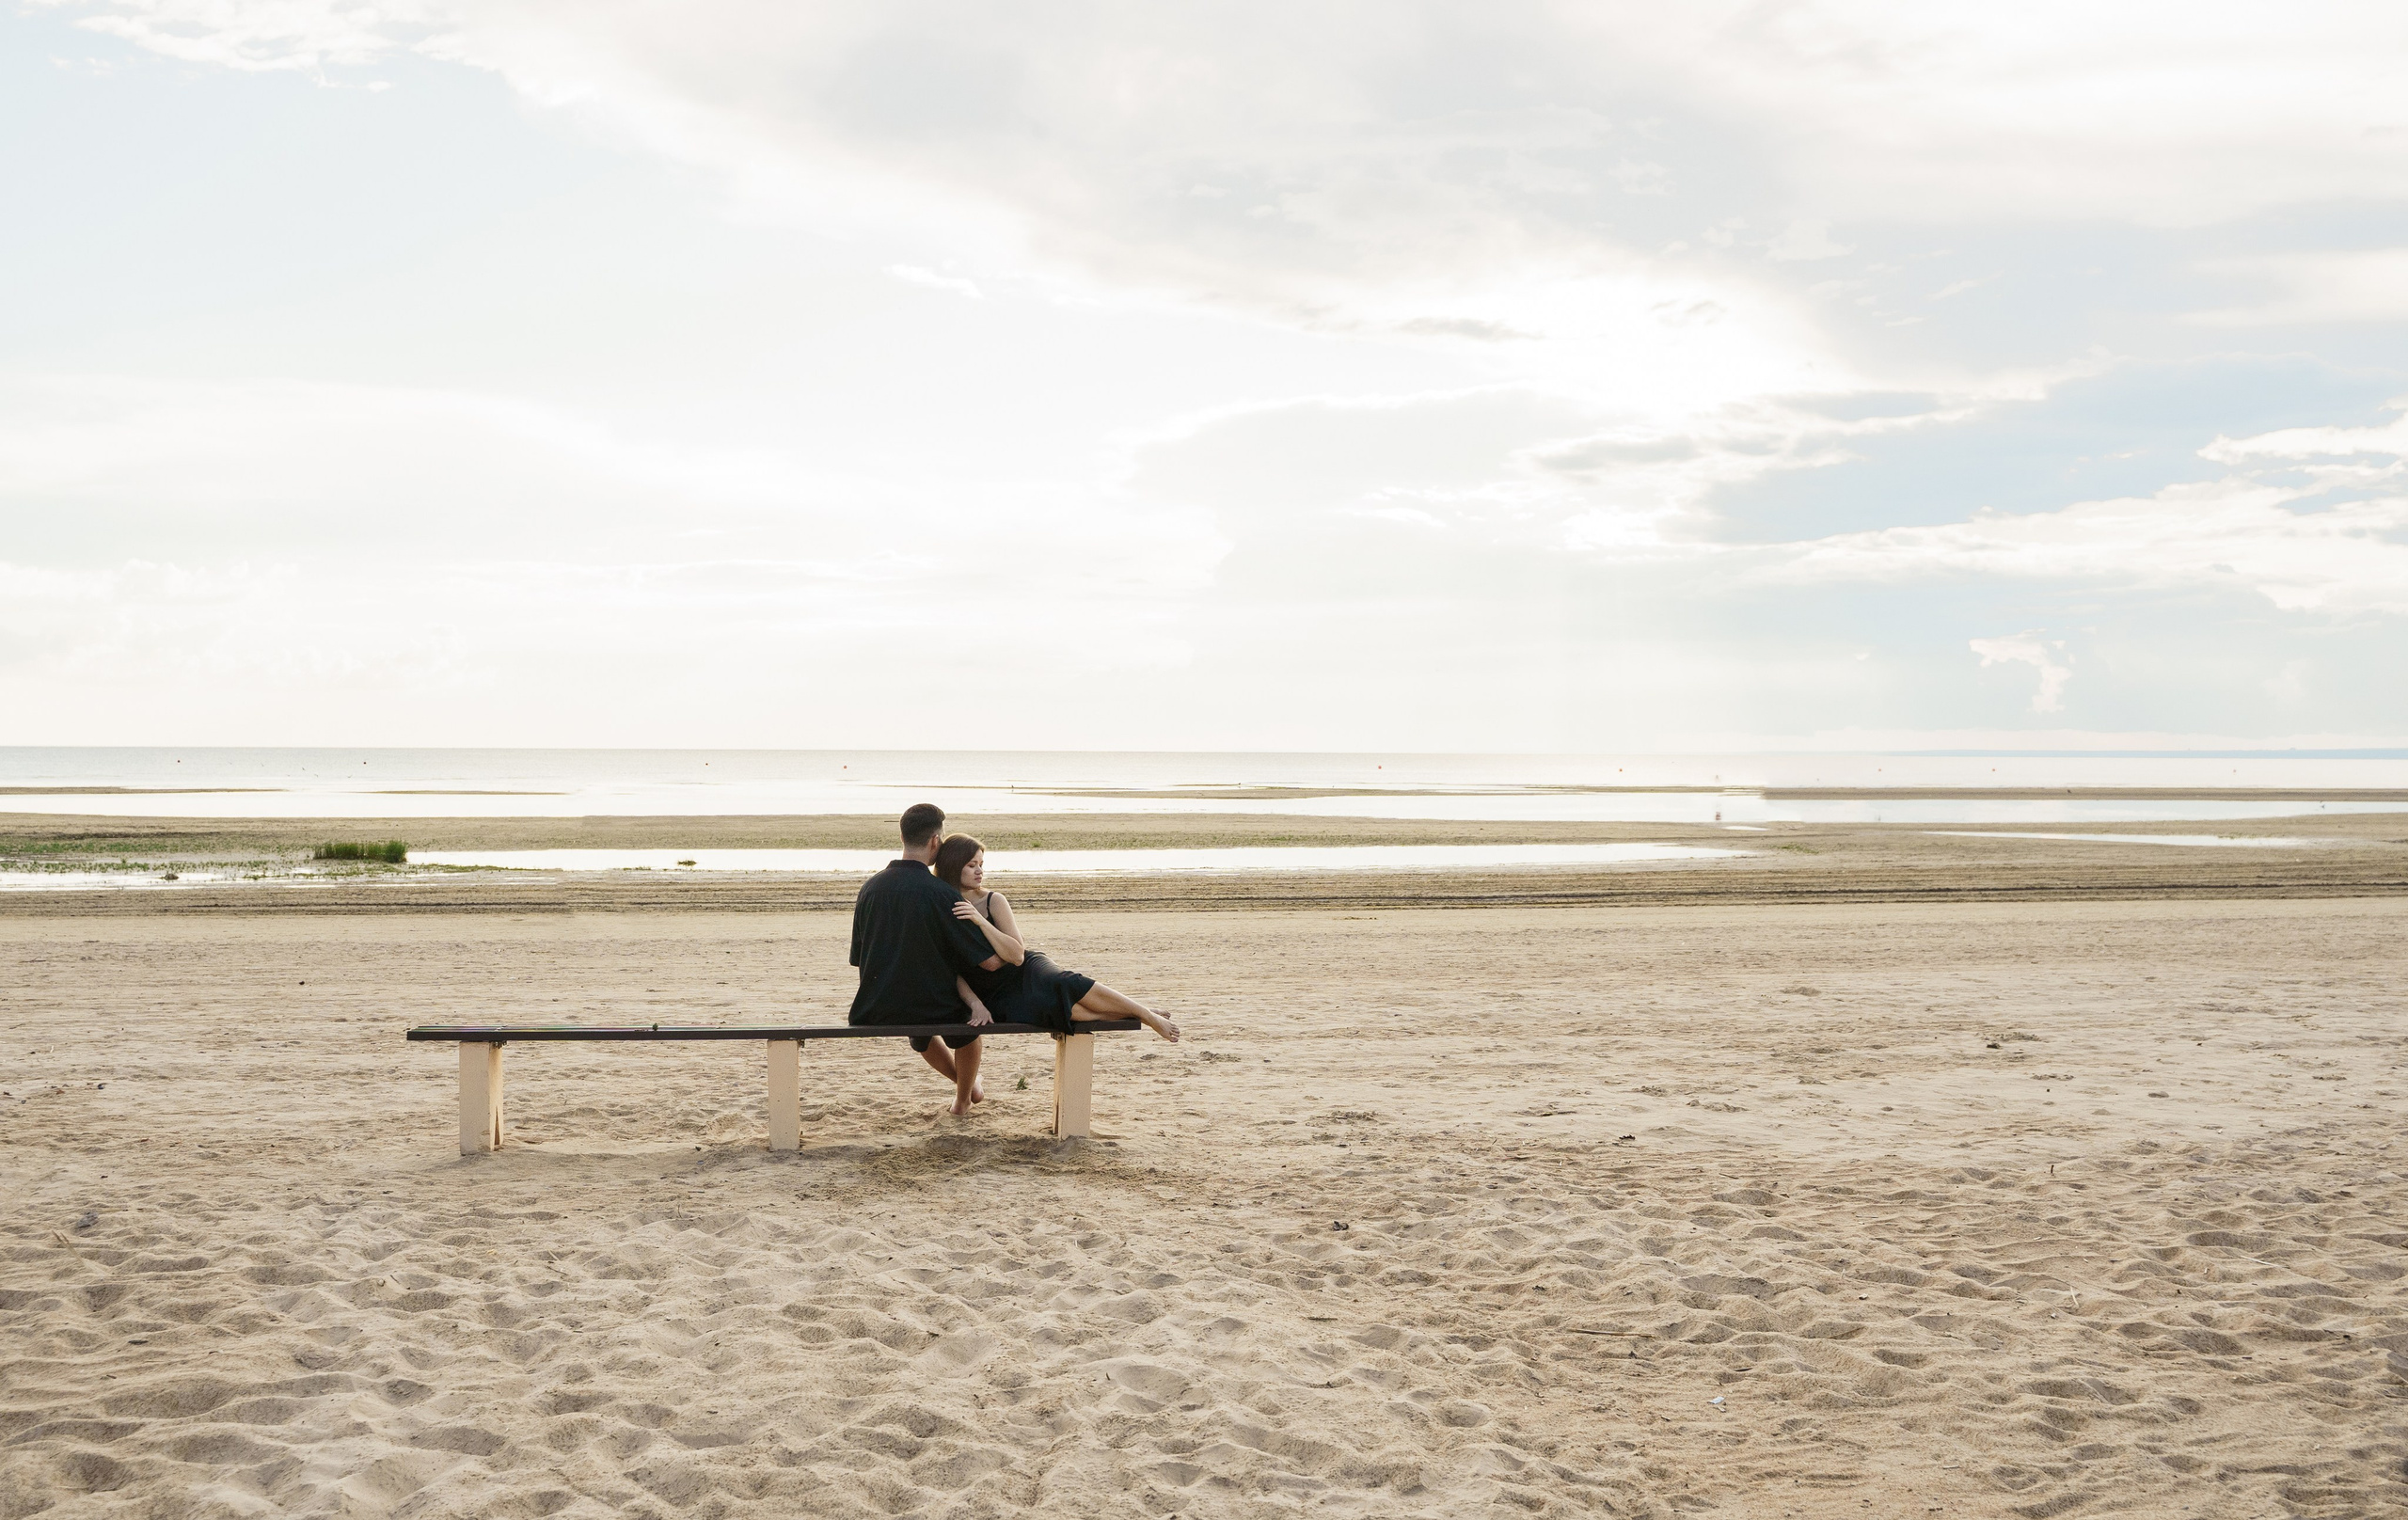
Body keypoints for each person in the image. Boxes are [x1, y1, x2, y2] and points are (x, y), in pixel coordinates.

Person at [932, 833, 1181, 1043]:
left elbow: (1017, 955)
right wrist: (975, 1003)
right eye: (972, 865)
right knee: (1050, 1008)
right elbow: (951, 969)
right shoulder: (942, 908)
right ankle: (1137, 1014)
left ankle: (1147, 1016)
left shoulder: (993, 900)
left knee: (1063, 983)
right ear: (955, 865)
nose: (980, 871)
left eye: (981, 864)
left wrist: (979, 919)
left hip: (1026, 969)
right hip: (991, 991)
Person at [849, 803, 1006, 1116]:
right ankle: (964, 1096)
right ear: (936, 841)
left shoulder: (870, 889)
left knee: (920, 1024)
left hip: (874, 1008)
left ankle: (966, 1088)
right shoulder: (940, 893)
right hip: (932, 1006)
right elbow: (987, 962)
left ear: (903, 836)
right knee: (966, 1023)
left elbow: (858, 959)